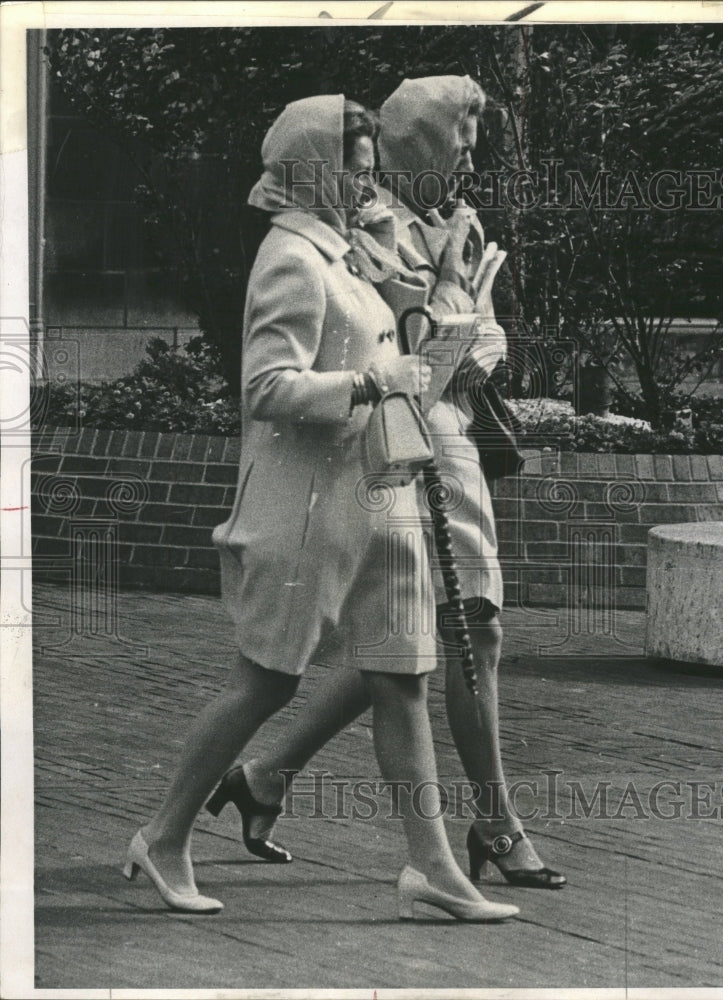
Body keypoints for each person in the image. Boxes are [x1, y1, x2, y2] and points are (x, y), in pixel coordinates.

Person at [122, 94, 518, 923]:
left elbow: (397, 346)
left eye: (372, 172)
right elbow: (268, 387)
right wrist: (373, 382)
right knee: (263, 683)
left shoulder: (346, 254)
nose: (368, 186)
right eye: (356, 171)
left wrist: (444, 325)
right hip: (301, 509)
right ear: (311, 169)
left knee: (402, 677)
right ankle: (161, 836)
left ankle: (435, 869)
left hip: (376, 494)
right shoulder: (291, 258)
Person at [208, 78, 566, 891]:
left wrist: (477, 323)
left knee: (425, 640)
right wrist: (453, 307)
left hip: (452, 441)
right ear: (416, 146)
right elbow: (404, 346)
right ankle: (495, 823)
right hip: (402, 442)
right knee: (453, 634)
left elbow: (477, 331)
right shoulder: (363, 230)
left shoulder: (456, 226)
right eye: (460, 146)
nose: (469, 162)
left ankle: (268, 775)